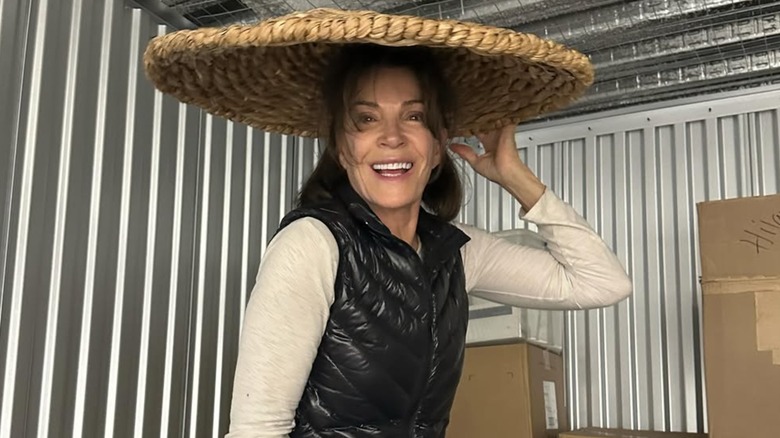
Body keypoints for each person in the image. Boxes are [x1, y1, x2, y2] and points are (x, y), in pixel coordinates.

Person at [144, 8, 633, 437]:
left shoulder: (457, 252)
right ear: (341, 145)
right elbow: (258, 428)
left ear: (439, 145)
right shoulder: (313, 245)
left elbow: (600, 284)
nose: (392, 138)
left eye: (414, 117)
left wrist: (517, 177)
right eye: (366, 119)